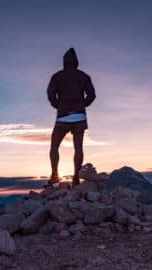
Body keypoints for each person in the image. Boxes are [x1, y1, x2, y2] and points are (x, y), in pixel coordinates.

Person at [47, 47, 96, 187]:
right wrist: (82, 105)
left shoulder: (57, 76)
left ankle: (54, 175)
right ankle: (76, 177)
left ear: (64, 62)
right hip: (79, 116)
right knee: (78, 147)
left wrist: (59, 106)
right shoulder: (84, 76)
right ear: (76, 62)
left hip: (63, 116)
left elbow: (50, 95)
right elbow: (92, 95)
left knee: (54, 146)